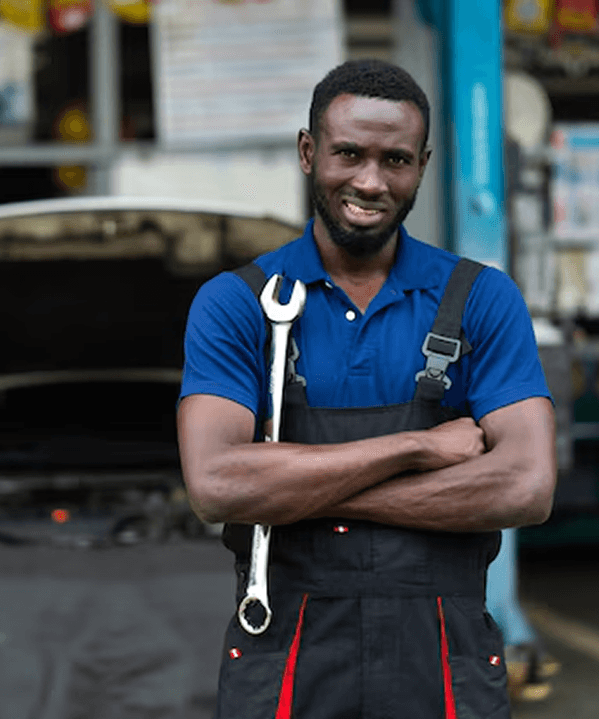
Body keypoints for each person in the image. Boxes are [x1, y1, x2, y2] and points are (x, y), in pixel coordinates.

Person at [177, 59, 556, 719]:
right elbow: (217, 484)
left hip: (442, 655)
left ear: (422, 164)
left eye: (396, 159)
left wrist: (296, 489)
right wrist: (415, 446)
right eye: (348, 153)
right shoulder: (237, 305)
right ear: (308, 151)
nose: (371, 181)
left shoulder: (481, 300)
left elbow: (524, 486)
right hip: (287, 653)